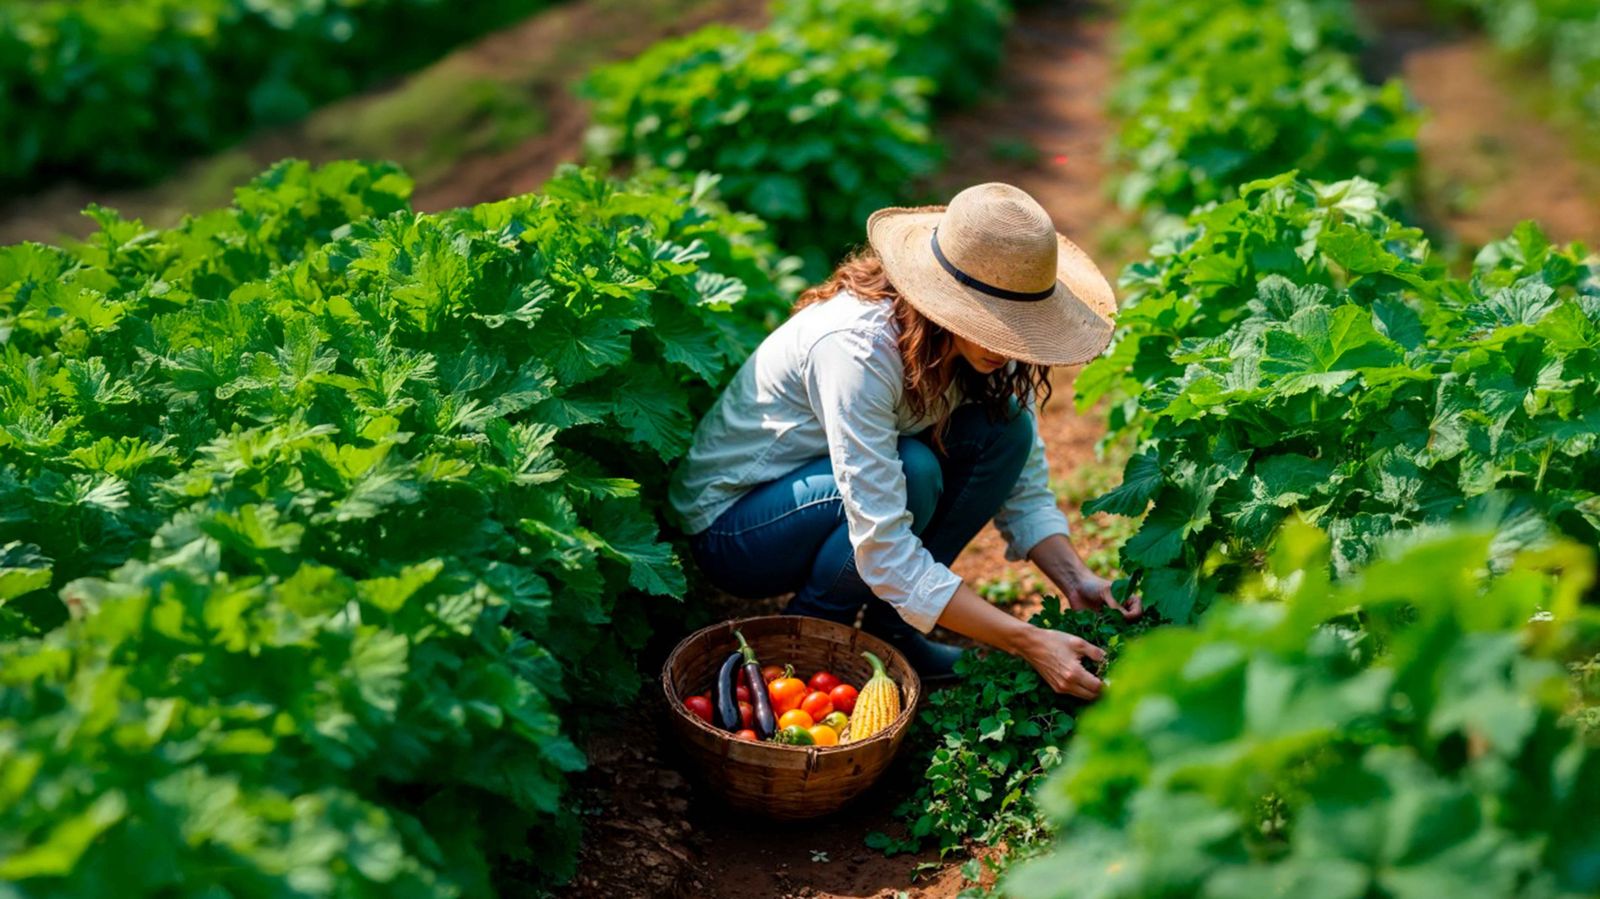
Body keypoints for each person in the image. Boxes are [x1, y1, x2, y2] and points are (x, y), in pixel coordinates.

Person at [668, 183, 1141, 699]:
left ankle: (893, 629)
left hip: (830, 498)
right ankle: (814, 633)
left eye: (1020, 326)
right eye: (994, 324)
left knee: (1007, 430)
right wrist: (1027, 641)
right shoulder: (859, 349)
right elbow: (883, 544)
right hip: (736, 528)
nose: (1007, 346)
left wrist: (1076, 580)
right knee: (914, 469)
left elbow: (1020, 484)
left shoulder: (994, 350)